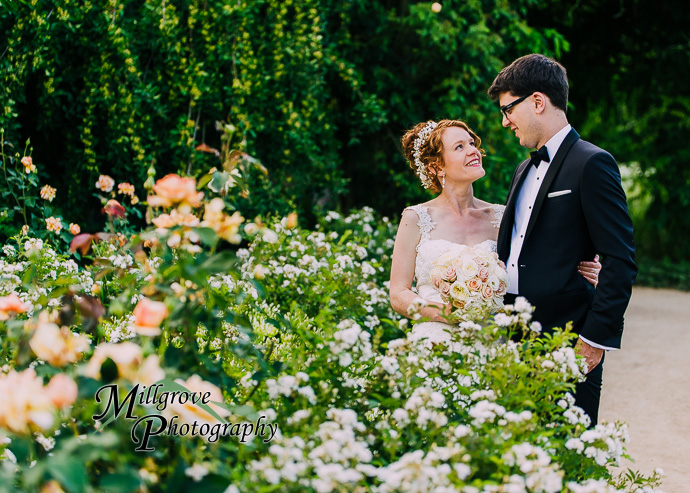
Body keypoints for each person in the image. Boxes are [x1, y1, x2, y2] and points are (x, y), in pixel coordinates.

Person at [487, 54, 637, 425]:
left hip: (567, 339)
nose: (505, 122)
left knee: (567, 455)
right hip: (514, 336)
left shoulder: (592, 163)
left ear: (537, 102)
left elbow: (619, 259)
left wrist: (594, 339)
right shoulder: (523, 168)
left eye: (508, 109)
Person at [389, 119, 601, 344]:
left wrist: (586, 268)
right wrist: (446, 313)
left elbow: (540, 262)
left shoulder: (502, 216)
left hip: (493, 342)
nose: (473, 151)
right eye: (459, 147)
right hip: (437, 342)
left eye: (472, 143)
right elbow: (399, 294)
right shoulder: (416, 218)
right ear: (436, 167)